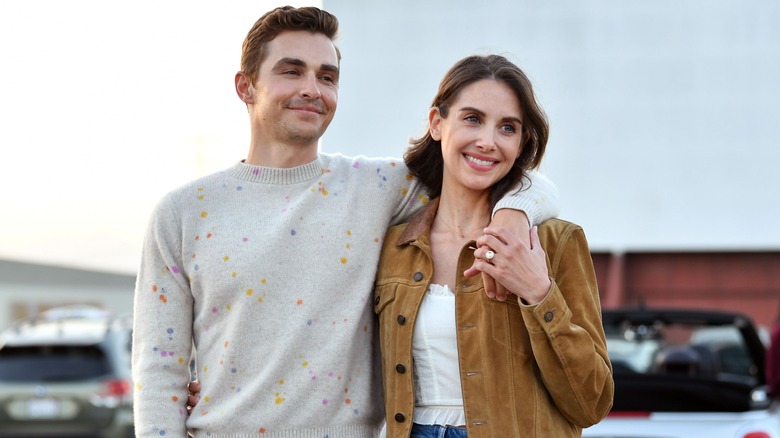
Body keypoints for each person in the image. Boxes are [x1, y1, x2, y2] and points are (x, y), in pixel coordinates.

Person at [131, 6, 559, 438]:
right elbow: (158, 369)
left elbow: (512, 176)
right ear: (246, 86)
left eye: (327, 76)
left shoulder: (379, 188)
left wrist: (511, 215)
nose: (312, 89)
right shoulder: (184, 213)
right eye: (292, 71)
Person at [374, 54, 613, 437]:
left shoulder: (555, 241)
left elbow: (593, 402)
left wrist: (538, 292)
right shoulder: (394, 247)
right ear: (438, 123)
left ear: (521, 144)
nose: (488, 142)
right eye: (472, 119)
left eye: (507, 128)